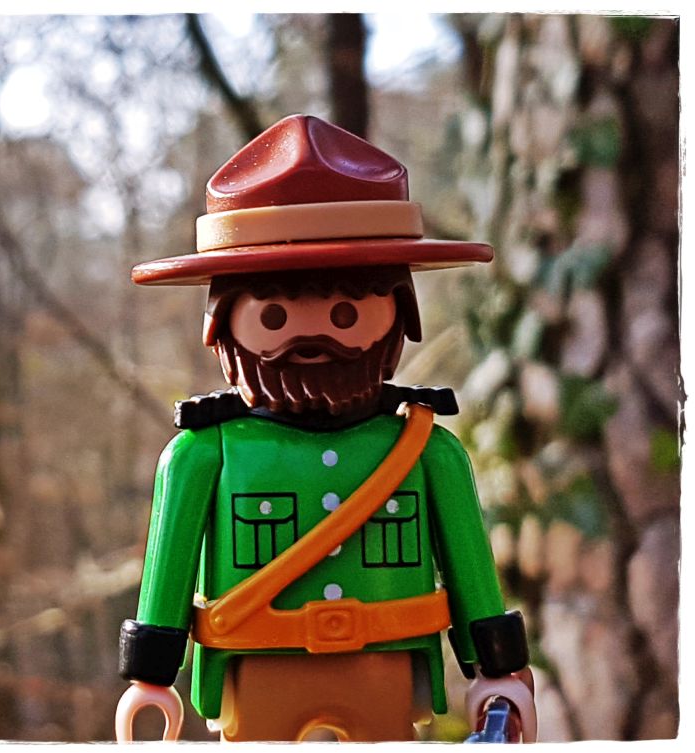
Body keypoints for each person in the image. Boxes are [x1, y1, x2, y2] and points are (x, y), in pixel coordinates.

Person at [115, 114, 537, 743]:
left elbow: (470, 568)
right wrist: (151, 679)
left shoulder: (425, 449)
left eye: (345, 313)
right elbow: (168, 569)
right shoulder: (204, 453)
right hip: (255, 667)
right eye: (275, 316)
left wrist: (497, 671)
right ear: (223, 324)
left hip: (387, 668)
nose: (310, 336)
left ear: (399, 316)